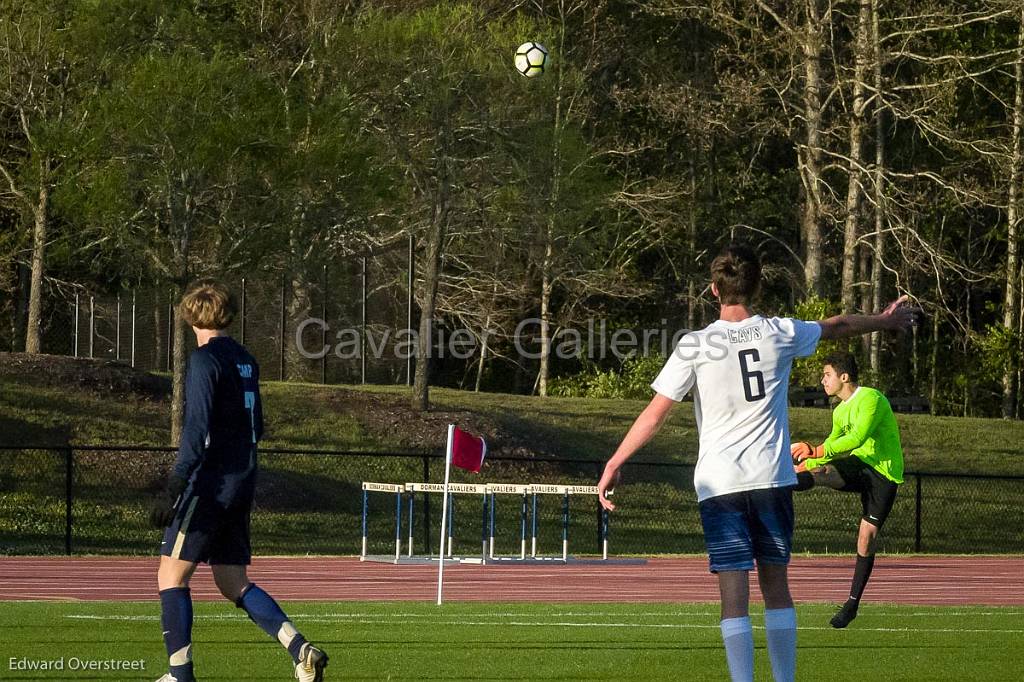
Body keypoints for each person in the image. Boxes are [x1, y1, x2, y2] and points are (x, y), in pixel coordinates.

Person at [596, 245, 916, 682]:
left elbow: (655, 414)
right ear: (758, 286)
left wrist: (615, 461)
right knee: (777, 588)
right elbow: (839, 325)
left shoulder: (695, 345)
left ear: (713, 290)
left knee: (733, 596)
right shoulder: (778, 332)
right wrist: (885, 320)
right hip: (771, 478)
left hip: (720, 483)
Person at [150, 279, 328, 682]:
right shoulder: (246, 359)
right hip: (242, 481)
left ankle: (179, 675)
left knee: (170, 577)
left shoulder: (203, 360)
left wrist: (174, 486)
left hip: (209, 483)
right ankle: (302, 650)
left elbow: (195, 430)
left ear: (191, 317)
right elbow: (257, 425)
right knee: (233, 582)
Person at [791, 352, 904, 629]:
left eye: (826, 374)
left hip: (884, 474)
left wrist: (814, 450)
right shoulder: (839, 410)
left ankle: (852, 604)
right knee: (821, 472)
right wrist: (803, 463)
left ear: (844, 377)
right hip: (860, 465)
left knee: (866, 539)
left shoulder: (871, 399)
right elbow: (832, 447)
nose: (822, 380)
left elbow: (857, 437)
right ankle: (780, 487)